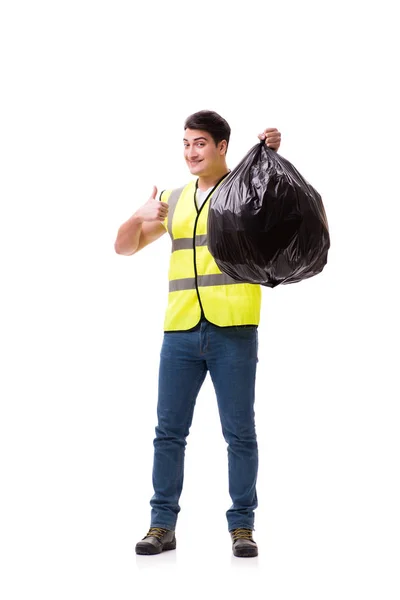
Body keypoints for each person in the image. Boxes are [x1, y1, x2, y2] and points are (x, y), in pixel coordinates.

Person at [114, 110, 281, 558]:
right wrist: (138, 215)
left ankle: (242, 527)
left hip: (234, 330)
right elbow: (123, 246)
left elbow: (284, 203)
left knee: (239, 433)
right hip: (181, 330)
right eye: (186, 143)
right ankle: (161, 526)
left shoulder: (245, 191)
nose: (191, 151)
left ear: (222, 146)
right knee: (168, 433)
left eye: (200, 143)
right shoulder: (175, 199)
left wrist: (269, 155)